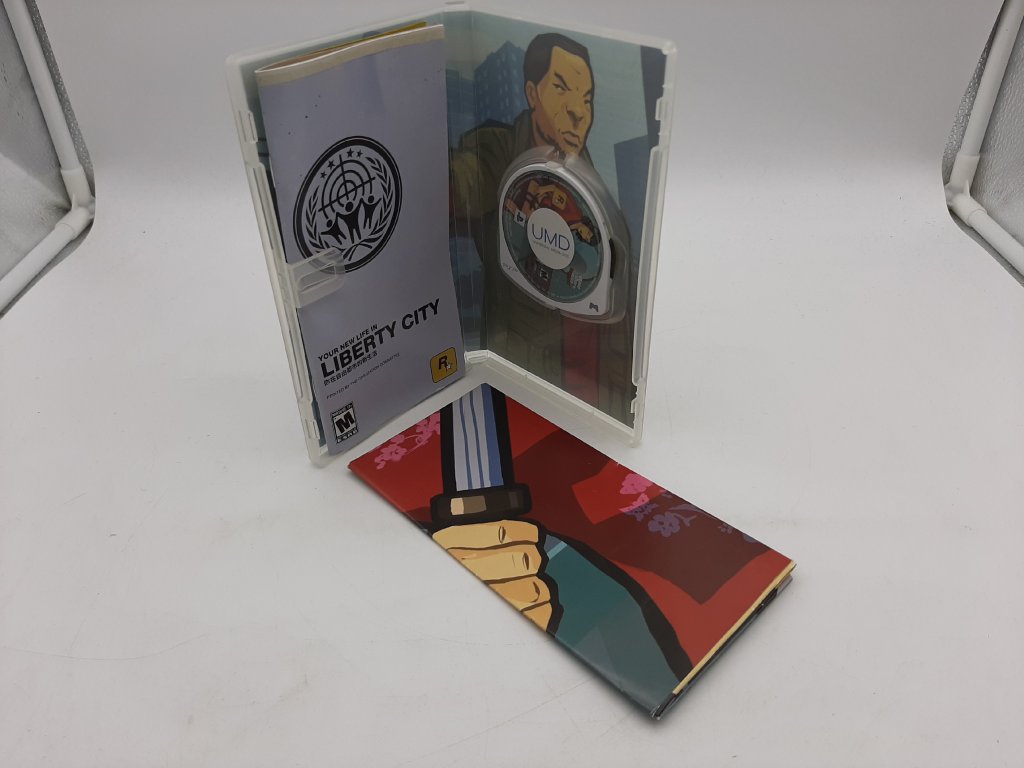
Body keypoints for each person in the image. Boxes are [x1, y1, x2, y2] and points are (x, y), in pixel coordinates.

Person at [450, 33, 634, 424]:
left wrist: (621, 403)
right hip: (518, 382)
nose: (578, 112)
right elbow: (462, 181)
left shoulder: (603, 203)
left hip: (595, 401)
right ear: (532, 94)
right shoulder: (498, 152)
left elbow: (621, 330)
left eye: (587, 99)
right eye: (562, 89)